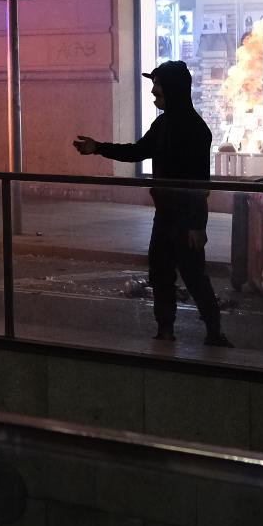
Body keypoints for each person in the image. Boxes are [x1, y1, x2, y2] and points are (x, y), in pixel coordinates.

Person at [73, 60, 232, 347]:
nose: (153, 91)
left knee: (194, 276)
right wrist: (98, 148)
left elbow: (200, 184)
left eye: (157, 85)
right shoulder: (163, 124)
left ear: (173, 88)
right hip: (165, 214)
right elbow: (137, 151)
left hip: (185, 218)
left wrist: (197, 225)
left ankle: (213, 331)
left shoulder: (196, 130)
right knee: (160, 273)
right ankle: (166, 329)